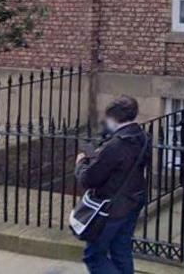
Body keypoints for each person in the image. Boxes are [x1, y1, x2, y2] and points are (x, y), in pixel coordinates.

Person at [75, 95, 150, 274]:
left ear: (113, 118)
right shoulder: (144, 137)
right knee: (120, 250)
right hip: (133, 201)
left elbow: (89, 179)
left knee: (94, 256)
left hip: (112, 208)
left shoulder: (116, 145)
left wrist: (80, 164)